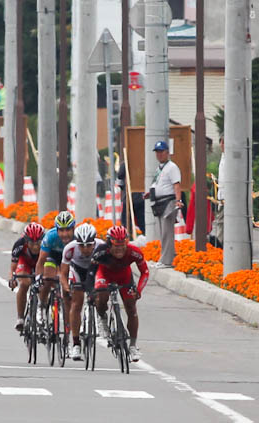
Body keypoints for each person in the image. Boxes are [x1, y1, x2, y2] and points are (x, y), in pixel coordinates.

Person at [92, 225, 149, 362]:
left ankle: (133, 346)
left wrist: (139, 290)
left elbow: (145, 272)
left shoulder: (134, 252)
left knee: (131, 307)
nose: (119, 249)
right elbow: (91, 271)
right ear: (109, 243)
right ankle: (102, 317)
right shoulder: (101, 252)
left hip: (124, 277)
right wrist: (92, 289)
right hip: (104, 274)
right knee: (102, 295)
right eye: (116, 246)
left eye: (122, 246)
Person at [59, 223, 105, 360]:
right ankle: (76, 344)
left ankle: (101, 318)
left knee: (100, 294)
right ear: (77, 243)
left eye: (89, 245)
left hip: (95, 270)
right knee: (76, 303)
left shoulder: (101, 246)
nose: (85, 249)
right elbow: (63, 273)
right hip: (77, 270)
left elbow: (107, 270)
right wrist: (66, 286)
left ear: (94, 243)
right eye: (82, 245)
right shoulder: (70, 249)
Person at [144, 140, 182, 268]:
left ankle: (167, 261)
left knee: (167, 231)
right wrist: (150, 193)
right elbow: (159, 184)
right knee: (162, 232)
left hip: (169, 201)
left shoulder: (172, 167)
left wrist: (178, 200)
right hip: (159, 202)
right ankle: (166, 257)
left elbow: (176, 184)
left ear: (167, 152)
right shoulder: (160, 168)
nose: (159, 154)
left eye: (161, 152)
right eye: (157, 152)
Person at [34, 211, 75, 324]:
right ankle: (41, 306)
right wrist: (38, 278)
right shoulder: (50, 237)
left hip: (69, 259)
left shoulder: (77, 238)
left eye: (68, 230)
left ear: (73, 229)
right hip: (53, 256)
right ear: (57, 230)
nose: (65, 234)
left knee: (70, 286)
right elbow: (41, 261)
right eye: (61, 230)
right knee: (48, 278)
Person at [7, 222, 45, 331]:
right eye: (31, 243)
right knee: (24, 283)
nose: (35, 246)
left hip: (41, 262)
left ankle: (41, 311)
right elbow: (13, 268)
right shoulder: (19, 244)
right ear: (25, 240)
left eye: (38, 242)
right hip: (25, 263)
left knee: (44, 284)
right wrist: (12, 279)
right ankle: (20, 318)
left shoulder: (47, 244)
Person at [211, 135, 226, 247]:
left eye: (224, 142)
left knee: (222, 223)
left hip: (228, 197)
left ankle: (220, 247)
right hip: (222, 197)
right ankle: (220, 247)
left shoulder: (230, 158)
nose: (222, 145)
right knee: (220, 223)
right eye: (221, 142)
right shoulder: (223, 157)